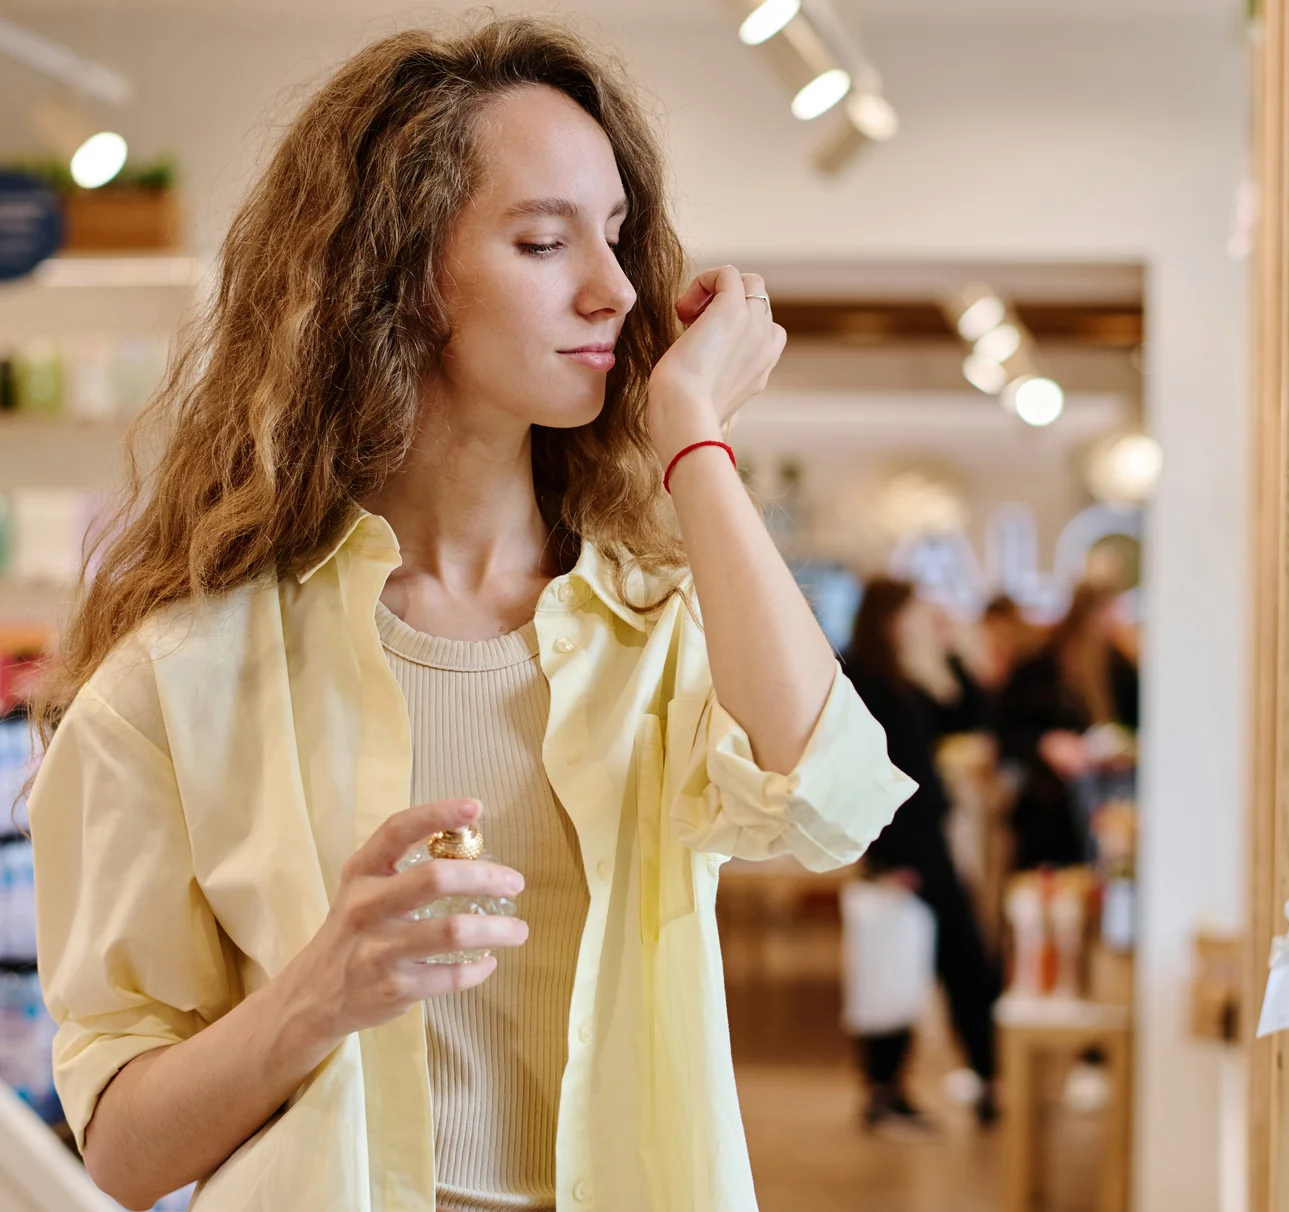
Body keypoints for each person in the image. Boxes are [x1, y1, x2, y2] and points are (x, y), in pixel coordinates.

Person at [25, 20, 914, 1212]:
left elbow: (831, 806)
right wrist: (319, 992)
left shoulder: (655, 633)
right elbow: (122, 1152)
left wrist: (694, 435)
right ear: (395, 273)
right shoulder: (181, 677)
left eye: (616, 236)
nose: (610, 287)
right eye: (544, 241)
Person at [842, 578, 1001, 1134]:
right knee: (919, 961)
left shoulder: (901, 678)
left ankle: (980, 1077)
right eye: (912, 613)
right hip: (903, 846)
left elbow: (968, 713)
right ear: (889, 617)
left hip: (924, 839)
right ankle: (894, 1089)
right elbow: (859, 773)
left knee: (945, 961)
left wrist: (952, 647)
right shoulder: (862, 678)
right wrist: (886, 859)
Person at [997, 582, 1140, 870]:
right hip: (1050, 805)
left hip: (1109, 798)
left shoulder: (1119, 666)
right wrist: (1045, 744)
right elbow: (1004, 730)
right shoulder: (1038, 667)